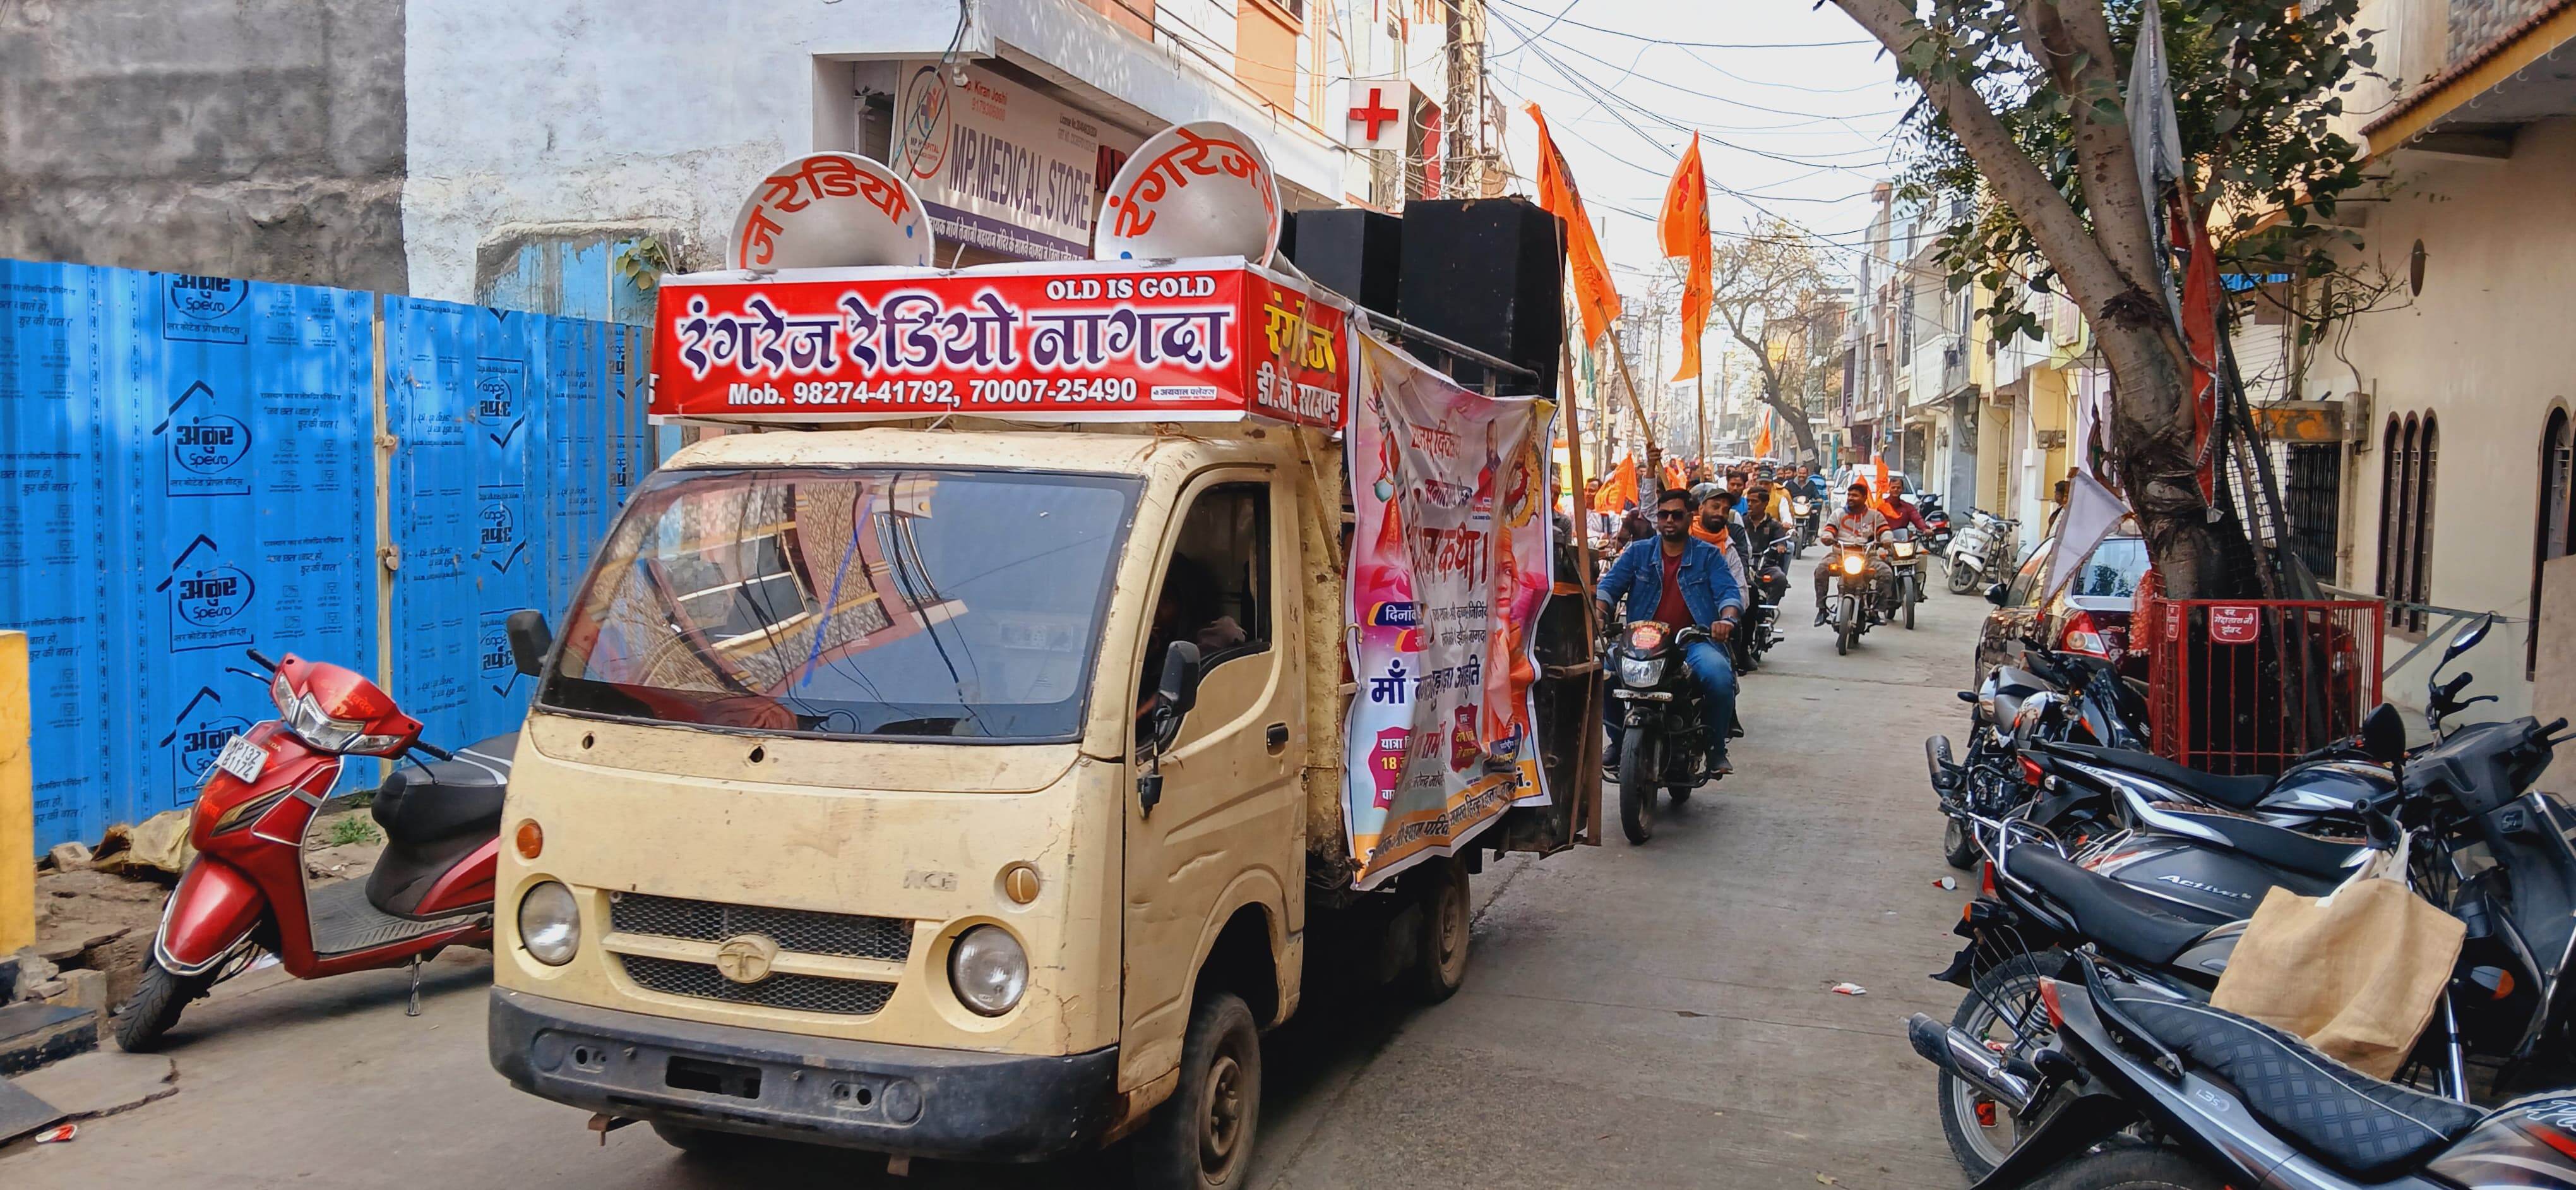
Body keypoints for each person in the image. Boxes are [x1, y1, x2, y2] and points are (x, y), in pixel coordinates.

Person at [1597, 488, 1743, 775]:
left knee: (1719, 677)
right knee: (1604, 674)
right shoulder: (1638, 552)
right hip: (1643, 643)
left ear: (1691, 517)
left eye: (1677, 515)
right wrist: (1600, 613)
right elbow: (1609, 587)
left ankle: (1715, 749)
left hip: (1692, 642)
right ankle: (1617, 740)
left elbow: (1729, 594)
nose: (1670, 520)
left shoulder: (1709, 556)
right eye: (1664, 515)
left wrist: (1727, 620)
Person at [1814, 481, 1893, 624]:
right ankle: (1821, 609)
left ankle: (1876, 610)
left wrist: (1887, 539)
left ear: (1864, 498)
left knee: (1887, 574)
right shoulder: (1838, 514)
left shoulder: (1875, 516)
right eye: (1849, 495)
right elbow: (1829, 530)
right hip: (1840, 556)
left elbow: (1885, 531)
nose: (1850, 498)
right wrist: (1827, 537)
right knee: (1821, 570)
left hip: (1868, 557)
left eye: (1855, 496)